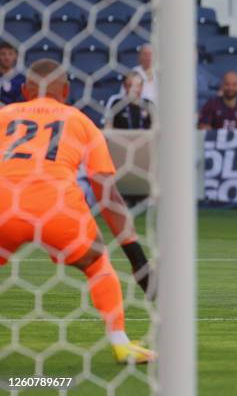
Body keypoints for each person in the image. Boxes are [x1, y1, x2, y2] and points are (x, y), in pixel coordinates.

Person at [0, 59, 156, 363]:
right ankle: (121, 344)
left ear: (23, 91)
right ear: (68, 91)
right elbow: (107, 193)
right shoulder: (79, 120)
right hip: (56, 207)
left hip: (5, 203)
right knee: (97, 263)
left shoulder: (4, 114)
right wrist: (138, 260)